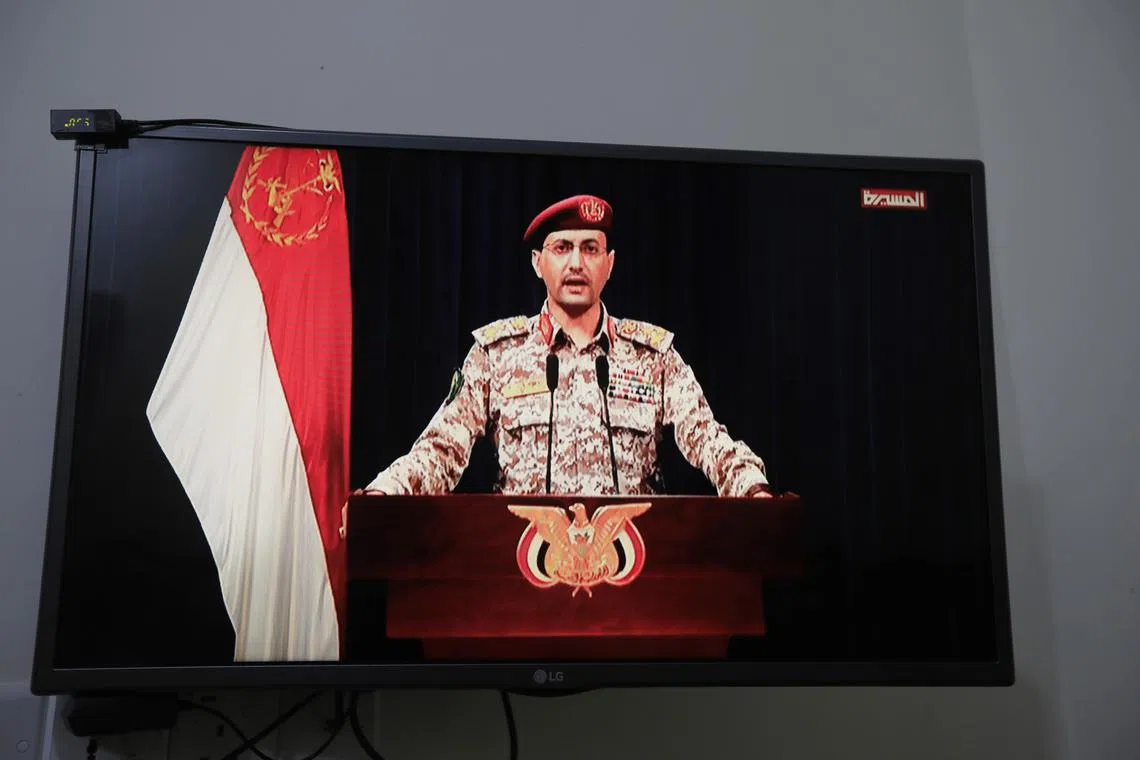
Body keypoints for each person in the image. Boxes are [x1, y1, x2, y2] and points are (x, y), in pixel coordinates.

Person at [343, 194, 772, 534]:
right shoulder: (498, 355)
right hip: (520, 569)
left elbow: (708, 439)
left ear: (610, 264)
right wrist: (385, 493)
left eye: (590, 248)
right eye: (562, 247)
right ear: (537, 262)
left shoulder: (653, 357)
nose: (575, 264)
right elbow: (441, 449)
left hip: (636, 570)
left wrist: (751, 489)